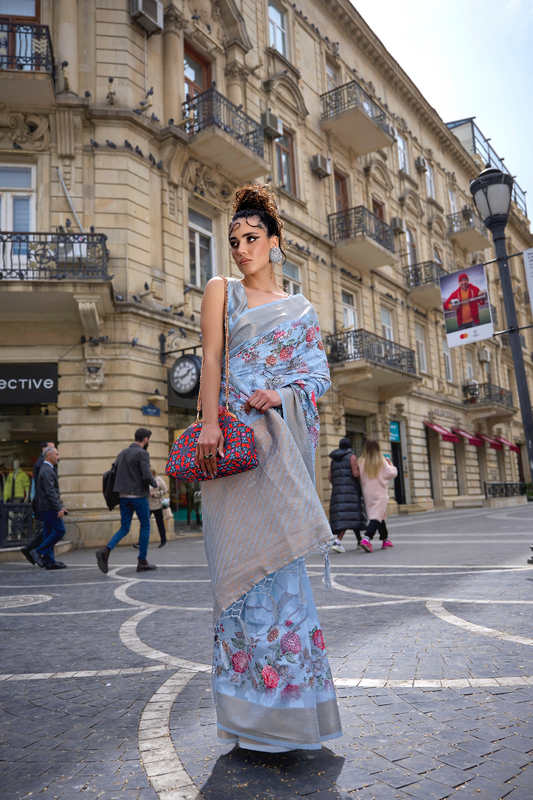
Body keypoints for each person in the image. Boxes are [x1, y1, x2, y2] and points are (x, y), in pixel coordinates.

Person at [195, 183, 342, 753]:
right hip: (231, 452)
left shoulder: (302, 310)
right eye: (234, 239)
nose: (240, 248)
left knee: (281, 572)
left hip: (277, 453)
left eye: (252, 238)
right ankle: (244, 716)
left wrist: (280, 394)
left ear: (275, 242)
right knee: (233, 577)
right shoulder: (220, 292)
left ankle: (290, 715)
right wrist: (209, 422)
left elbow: (317, 378)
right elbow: (210, 357)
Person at [95, 428, 158, 574]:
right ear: (146, 439)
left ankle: (106, 550)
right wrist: (155, 484)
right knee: (145, 526)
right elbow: (146, 474)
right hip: (138, 496)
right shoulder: (142, 453)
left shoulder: (122, 453)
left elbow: (114, 472)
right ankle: (142, 560)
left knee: (124, 527)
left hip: (123, 496)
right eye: (149, 439)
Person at [354, 440, 397, 553]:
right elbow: (391, 473)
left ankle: (385, 539)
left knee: (379, 515)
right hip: (380, 492)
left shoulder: (361, 461)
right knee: (376, 517)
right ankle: (367, 539)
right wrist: (391, 464)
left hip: (368, 493)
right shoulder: (381, 461)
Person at [30, 446, 68, 570]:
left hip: (47, 507)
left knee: (48, 533)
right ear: (49, 455)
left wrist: (60, 507)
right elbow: (50, 491)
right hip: (49, 507)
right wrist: (59, 509)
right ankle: (38, 551)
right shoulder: (46, 470)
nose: (58, 457)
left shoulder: (48, 469)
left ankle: (49, 561)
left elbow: (52, 491)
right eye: (56, 454)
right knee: (60, 530)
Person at [328, 437, 366, 553]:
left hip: (338, 491)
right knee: (349, 515)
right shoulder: (351, 456)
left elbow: (330, 476)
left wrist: (338, 484)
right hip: (351, 490)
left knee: (350, 516)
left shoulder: (334, 459)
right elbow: (355, 473)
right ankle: (338, 541)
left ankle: (359, 541)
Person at [21, 440, 54, 566]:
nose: (56, 453)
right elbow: (46, 487)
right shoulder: (42, 464)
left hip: (43, 502)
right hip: (44, 503)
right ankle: (41, 554)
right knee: (54, 530)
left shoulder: (43, 463)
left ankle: (36, 552)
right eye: (52, 449)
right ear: (44, 450)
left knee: (48, 529)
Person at [148, 468, 169, 548]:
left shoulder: (158, 479)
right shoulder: (145, 480)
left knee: (160, 523)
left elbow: (165, 490)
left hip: (157, 505)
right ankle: (140, 542)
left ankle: (163, 541)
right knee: (144, 524)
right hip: (148, 505)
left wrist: (154, 494)